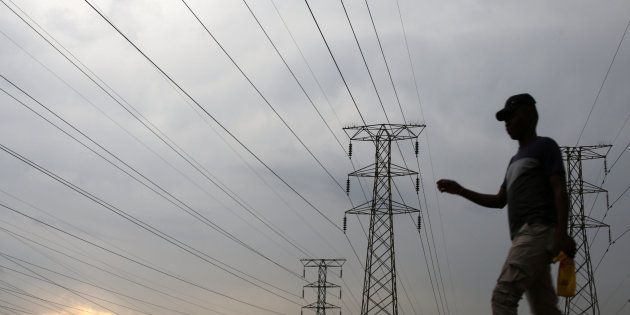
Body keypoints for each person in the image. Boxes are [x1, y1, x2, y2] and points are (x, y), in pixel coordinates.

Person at [436, 93, 576, 315]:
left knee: (503, 296)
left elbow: (560, 190)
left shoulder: (545, 147)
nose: (507, 123)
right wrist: (460, 190)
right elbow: (499, 201)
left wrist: (562, 233)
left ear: (529, 115)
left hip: (537, 231)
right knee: (545, 309)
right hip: (525, 236)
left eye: (512, 116)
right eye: (504, 119)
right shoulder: (514, 161)